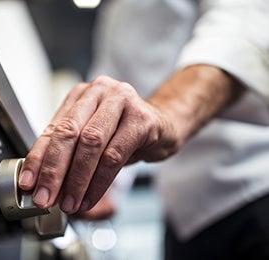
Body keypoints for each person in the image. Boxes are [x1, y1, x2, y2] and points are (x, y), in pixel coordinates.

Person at [18, 0, 269, 259]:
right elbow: (116, 89)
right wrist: (99, 183)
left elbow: (242, 28)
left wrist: (168, 114)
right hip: (183, 218)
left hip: (253, 191)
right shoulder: (116, 13)